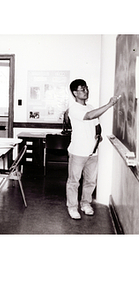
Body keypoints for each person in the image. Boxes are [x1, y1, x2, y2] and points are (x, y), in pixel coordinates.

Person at [66, 79, 120, 219]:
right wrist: (109, 104)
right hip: (78, 152)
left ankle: (85, 204)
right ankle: (72, 207)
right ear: (74, 93)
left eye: (86, 88)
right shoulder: (74, 109)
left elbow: (96, 123)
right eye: (82, 89)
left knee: (90, 181)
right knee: (74, 181)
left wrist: (98, 135)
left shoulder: (90, 106)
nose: (85, 91)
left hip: (92, 152)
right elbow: (90, 116)